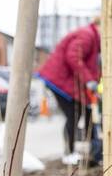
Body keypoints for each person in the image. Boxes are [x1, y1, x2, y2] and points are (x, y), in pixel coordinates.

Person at [36, 18, 101, 165]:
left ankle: (95, 152)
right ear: (99, 25)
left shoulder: (93, 39)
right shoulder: (87, 35)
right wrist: (89, 80)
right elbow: (73, 57)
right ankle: (69, 154)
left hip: (68, 82)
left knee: (86, 113)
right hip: (59, 80)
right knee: (72, 116)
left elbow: (90, 65)